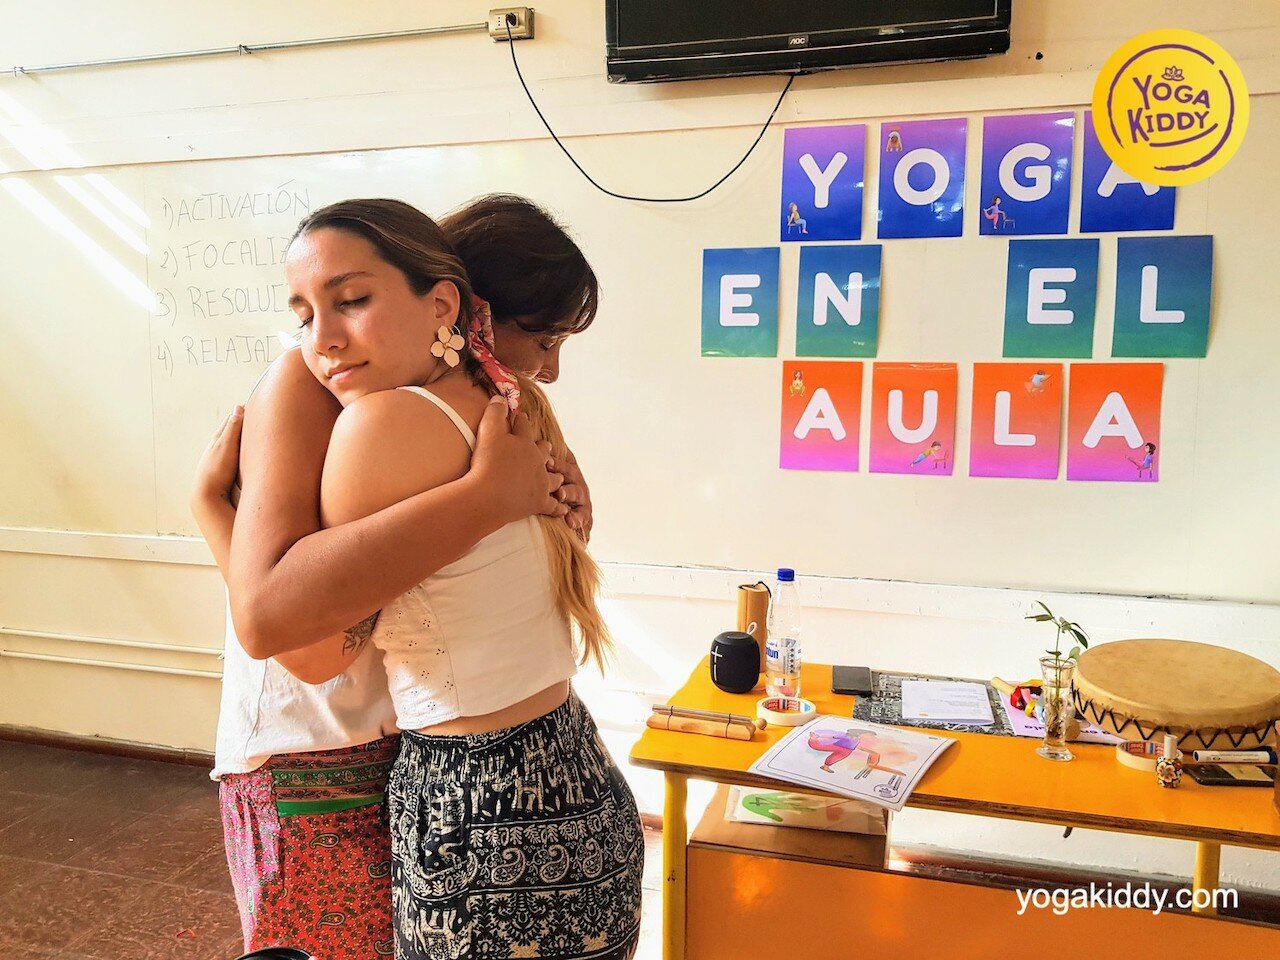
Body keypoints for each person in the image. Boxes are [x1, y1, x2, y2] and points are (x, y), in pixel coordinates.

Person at [275, 198, 644, 958]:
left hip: (478, 815)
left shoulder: (389, 425)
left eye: (352, 301)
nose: (323, 339)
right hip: (580, 781)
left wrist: (214, 512)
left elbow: (313, 653)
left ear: (448, 304)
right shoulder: (514, 412)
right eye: (308, 312)